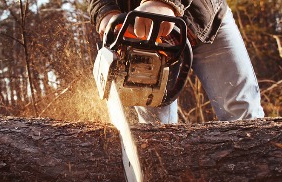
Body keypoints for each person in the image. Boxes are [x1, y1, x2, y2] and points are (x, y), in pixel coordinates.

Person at [88, 0, 265, 123]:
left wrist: (163, 1)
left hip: (205, 20)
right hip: (144, 32)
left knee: (242, 112)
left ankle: (259, 171)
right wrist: (105, 12)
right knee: (155, 129)